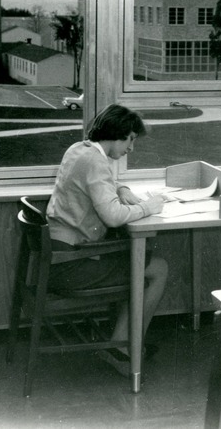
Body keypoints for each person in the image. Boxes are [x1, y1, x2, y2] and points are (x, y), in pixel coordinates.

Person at [46, 103, 168, 377]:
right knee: (157, 269)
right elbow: (113, 216)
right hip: (70, 265)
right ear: (119, 133)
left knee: (139, 263)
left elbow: (100, 183)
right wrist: (151, 206)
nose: (131, 148)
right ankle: (123, 349)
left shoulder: (81, 150)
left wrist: (122, 188)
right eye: (131, 139)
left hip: (59, 254)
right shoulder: (95, 160)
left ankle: (122, 344)